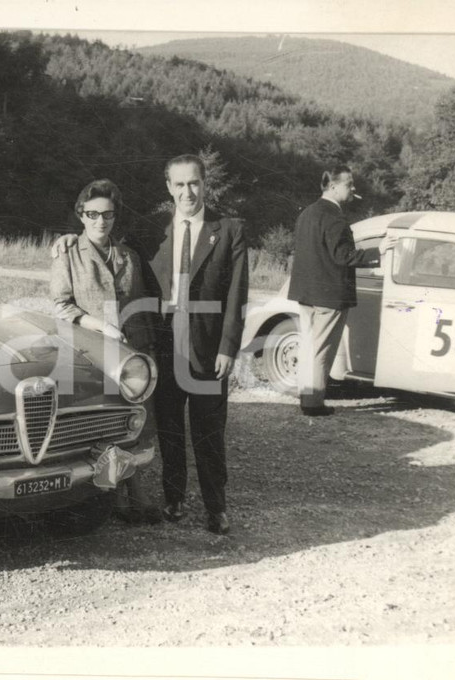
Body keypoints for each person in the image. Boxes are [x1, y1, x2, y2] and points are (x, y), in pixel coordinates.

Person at [54, 155, 248, 535]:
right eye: (179, 185)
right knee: (171, 430)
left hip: (209, 350)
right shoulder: (150, 231)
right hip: (163, 349)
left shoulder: (228, 230)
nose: (187, 192)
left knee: (209, 431)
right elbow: (99, 237)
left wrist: (228, 347)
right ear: (169, 188)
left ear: (204, 183)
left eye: (193, 183)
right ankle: (173, 499)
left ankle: (216, 507)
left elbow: (238, 295)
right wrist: (66, 237)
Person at [50, 179, 160, 524]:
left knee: (134, 424)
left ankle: (135, 497)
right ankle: (110, 498)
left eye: (108, 215)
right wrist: (101, 327)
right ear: (81, 215)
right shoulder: (67, 253)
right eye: (93, 214)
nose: (101, 221)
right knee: (102, 424)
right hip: (91, 353)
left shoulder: (129, 256)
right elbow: (62, 306)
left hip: (131, 352)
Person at [287, 166, 393, 417]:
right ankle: (312, 403)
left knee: (310, 345)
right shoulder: (334, 216)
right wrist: (379, 250)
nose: (353, 188)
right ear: (333, 187)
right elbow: (343, 255)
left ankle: (307, 396)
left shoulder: (307, 213)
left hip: (306, 294)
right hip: (329, 296)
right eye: (350, 184)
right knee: (321, 350)